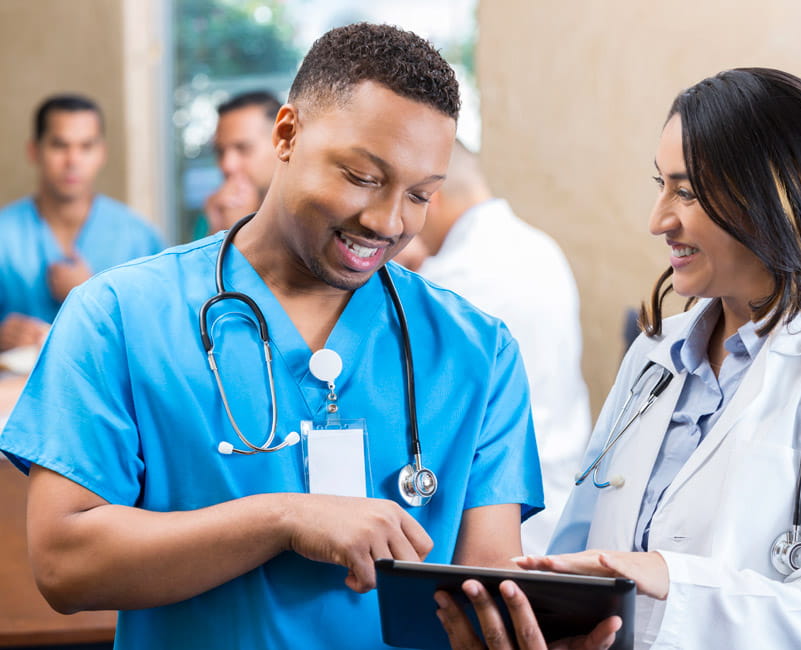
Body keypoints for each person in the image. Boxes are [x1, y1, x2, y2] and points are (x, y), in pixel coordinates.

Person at [0, 23, 542, 649]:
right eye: (363, 177)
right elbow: (65, 565)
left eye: (420, 195)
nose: (388, 222)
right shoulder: (119, 316)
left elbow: (485, 592)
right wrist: (283, 518)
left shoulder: (478, 352)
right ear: (287, 135)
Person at [436, 67, 801, 649]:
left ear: (773, 198)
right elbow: (582, 562)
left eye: (686, 191)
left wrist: (668, 581)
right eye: (661, 185)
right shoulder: (654, 359)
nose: (659, 219)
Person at [395, 140, 591, 555]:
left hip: (504, 500)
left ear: (437, 195)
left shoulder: (453, 281)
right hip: (560, 480)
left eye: (414, 198)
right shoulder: (537, 246)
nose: (400, 221)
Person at [0, 94, 164, 352]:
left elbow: (160, 336)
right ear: (35, 151)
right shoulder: (5, 234)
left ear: (102, 153)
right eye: (59, 145)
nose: (73, 161)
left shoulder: (138, 238)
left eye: (86, 146)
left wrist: (91, 297)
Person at [199, 90, 281, 237]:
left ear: (283, 144)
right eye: (220, 152)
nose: (227, 165)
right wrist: (216, 233)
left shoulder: (310, 215)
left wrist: (238, 232)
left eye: (244, 149)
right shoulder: (216, 213)